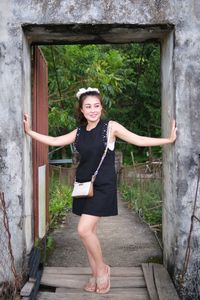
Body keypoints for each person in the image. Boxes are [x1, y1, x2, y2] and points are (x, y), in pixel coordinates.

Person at [24, 87, 177, 294]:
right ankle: (95, 273)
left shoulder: (110, 127)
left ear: (101, 107)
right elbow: (54, 141)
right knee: (91, 233)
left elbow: (138, 140)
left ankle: (103, 269)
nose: (93, 110)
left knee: (83, 230)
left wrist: (167, 140)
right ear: (81, 110)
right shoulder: (78, 132)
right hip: (83, 186)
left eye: (96, 106)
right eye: (88, 106)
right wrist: (29, 131)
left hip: (103, 186)